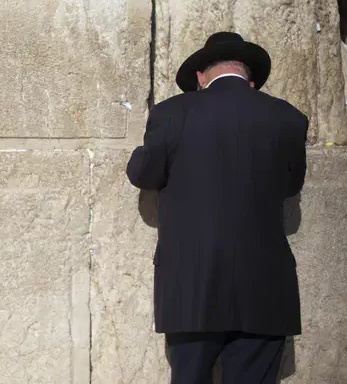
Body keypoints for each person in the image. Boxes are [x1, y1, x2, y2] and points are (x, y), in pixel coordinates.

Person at [126, 32, 308, 384]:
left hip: (193, 288)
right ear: (250, 78)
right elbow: (290, 186)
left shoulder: (171, 113)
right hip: (265, 288)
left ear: (200, 76)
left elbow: (144, 174)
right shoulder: (288, 119)